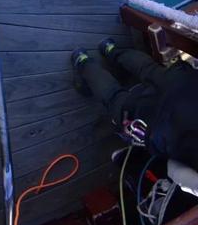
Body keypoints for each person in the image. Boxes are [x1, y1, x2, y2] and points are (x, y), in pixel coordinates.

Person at [72, 38, 198, 189]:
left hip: (186, 86)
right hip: (165, 127)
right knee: (116, 99)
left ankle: (111, 49)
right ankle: (83, 62)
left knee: (149, 69)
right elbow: (176, 172)